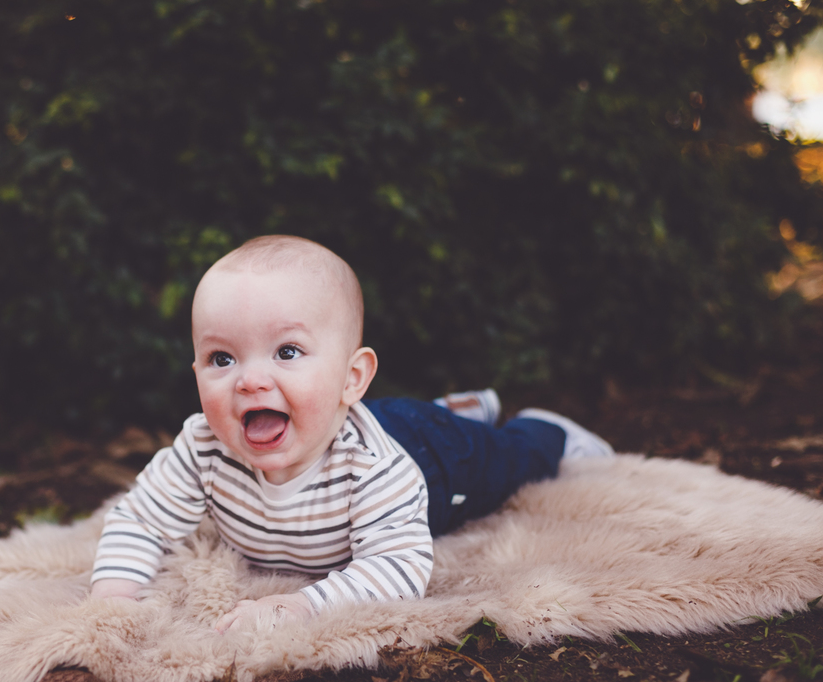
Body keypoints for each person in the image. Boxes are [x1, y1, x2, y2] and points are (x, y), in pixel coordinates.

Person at [88, 235, 612, 632]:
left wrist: (303, 605)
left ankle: (540, 428)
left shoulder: (375, 469)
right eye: (221, 358)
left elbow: (399, 567)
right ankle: (465, 406)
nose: (249, 380)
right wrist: (114, 595)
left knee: (511, 461)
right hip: (352, 415)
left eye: (286, 352)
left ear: (350, 377)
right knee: (396, 413)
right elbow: (139, 519)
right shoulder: (202, 448)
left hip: (433, 455)